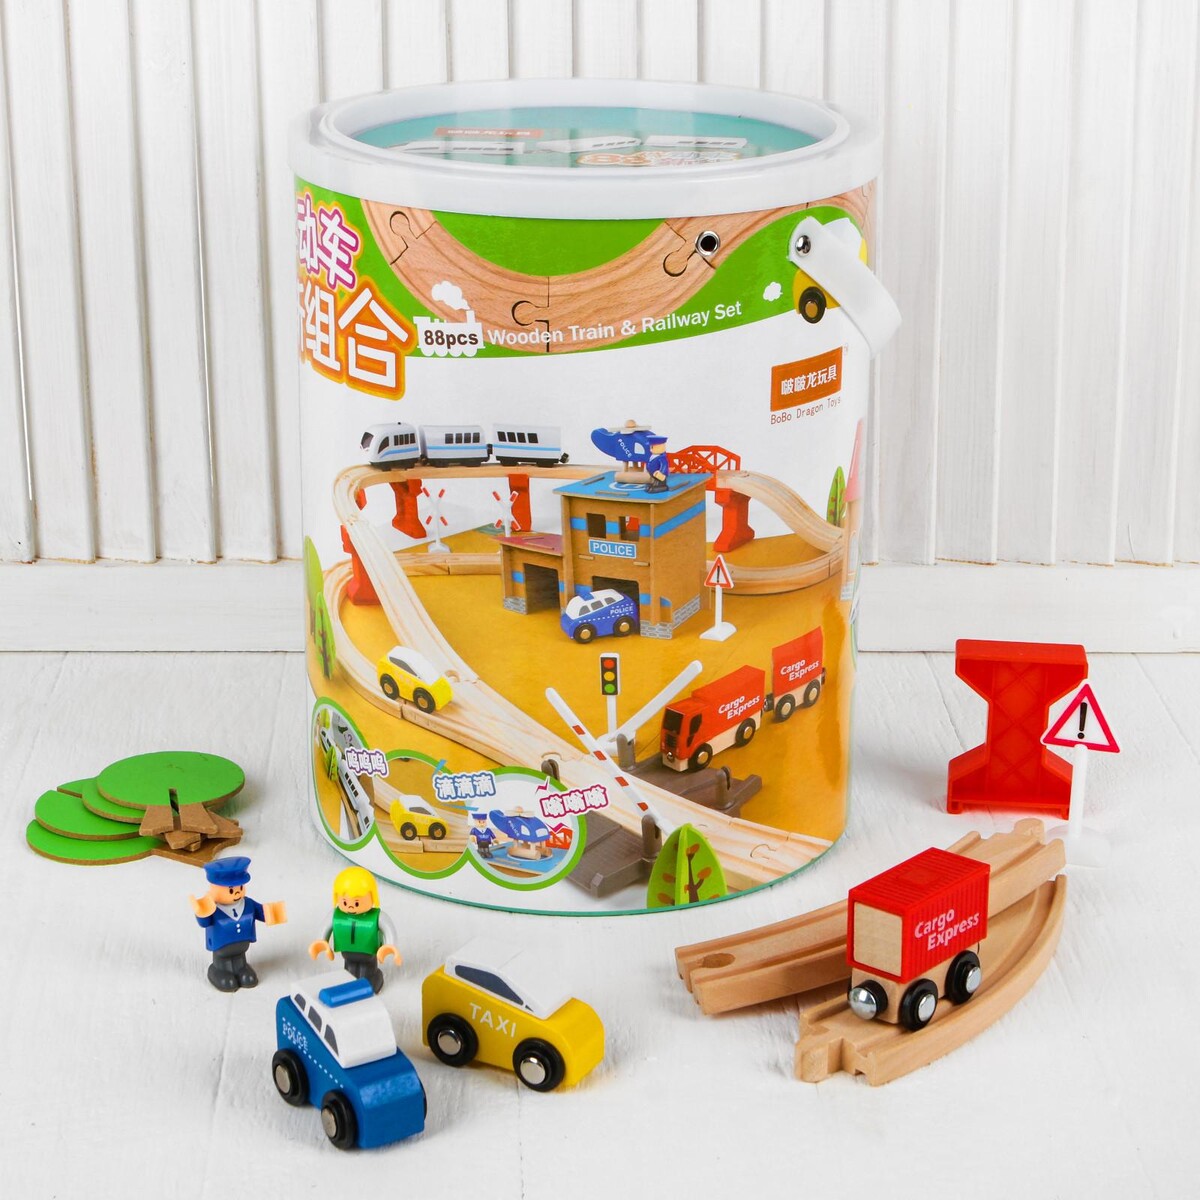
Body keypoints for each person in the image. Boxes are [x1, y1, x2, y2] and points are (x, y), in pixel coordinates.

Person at [189, 856, 287, 992]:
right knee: (225, 971)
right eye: (231, 890)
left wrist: (275, 913)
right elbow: (204, 922)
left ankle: (242, 969)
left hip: (242, 949)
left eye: (240, 887)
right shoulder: (212, 909)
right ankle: (220, 971)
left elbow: (263, 912)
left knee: (244, 969)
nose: (237, 892)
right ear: (214, 889)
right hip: (221, 951)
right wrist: (201, 911)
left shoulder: (248, 904)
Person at [309, 866, 400, 994]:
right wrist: (321, 942)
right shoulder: (335, 915)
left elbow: (388, 929)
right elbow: (325, 928)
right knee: (349, 970)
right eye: (345, 902)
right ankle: (350, 984)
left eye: (356, 903)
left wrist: (389, 946)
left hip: (368, 956)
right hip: (348, 954)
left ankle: (369, 981)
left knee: (365, 972)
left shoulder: (378, 917)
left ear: (372, 897)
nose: (351, 906)